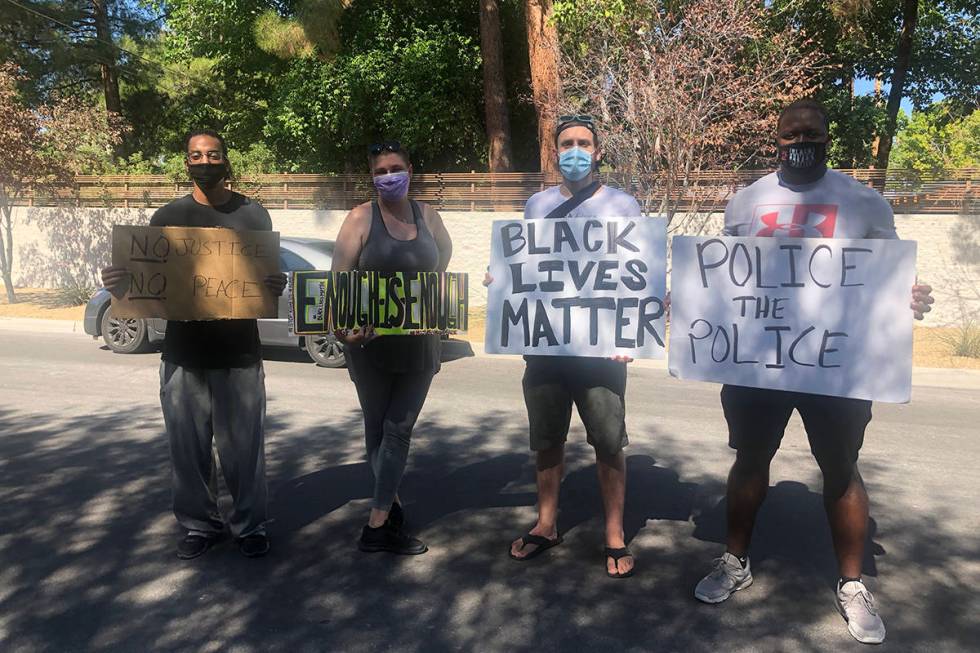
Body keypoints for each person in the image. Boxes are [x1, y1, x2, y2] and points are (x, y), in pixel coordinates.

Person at [692, 99, 935, 644]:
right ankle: (736, 561)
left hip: (837, 366)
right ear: (775, 138)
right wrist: (688, 300)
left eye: (813, 131)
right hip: (759, 363)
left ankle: (852, 584)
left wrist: (910, 297)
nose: (802, 139)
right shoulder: (746, 201)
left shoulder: (865, 203)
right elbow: (726, 280)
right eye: (791, 132)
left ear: (827, 138)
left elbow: (889, 279)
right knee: (750, 461)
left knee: (841, 468)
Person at [102, 129, 287, 559]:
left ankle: (250, 526)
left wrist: (274, 283)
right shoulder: (166, 217)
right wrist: (120, 283)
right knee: (187, 449)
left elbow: (264, 278)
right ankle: (199, 525)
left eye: (213, 154)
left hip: (240, 353)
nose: (205, 161)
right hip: (183, 354)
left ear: (226, 159)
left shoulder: (253, 216)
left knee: (244, 451)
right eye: (195, 155)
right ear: (186, 162)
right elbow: (147, 283)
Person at [490, 115, 644, 578]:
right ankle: (546, 523)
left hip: (601, 352)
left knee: (609, 442)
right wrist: (502, 283)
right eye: (566, 143)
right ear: (554, 151)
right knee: (547, 441)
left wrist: (630, 330)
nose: (574, 150)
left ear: (598, 151)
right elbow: (527, 269)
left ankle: (614, 534)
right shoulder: (536, 205)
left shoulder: (623, 205)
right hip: (545, 349)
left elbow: (635, 275)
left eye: (583, 143)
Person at [331, 141, 453, 555]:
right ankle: (390, 505)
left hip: (419, 343)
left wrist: (426, 301)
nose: (389, 176)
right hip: (370, 347)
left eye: (395, 167)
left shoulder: (429, 216)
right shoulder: (360, 218)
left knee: (399, 428)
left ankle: (377, 522)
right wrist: (341, 331)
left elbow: (444, 258)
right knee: (377, 427)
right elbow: (339, 280)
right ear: (372, 176)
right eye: (380, 170)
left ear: (410, 169)